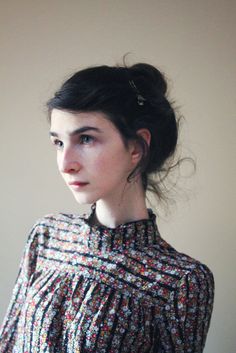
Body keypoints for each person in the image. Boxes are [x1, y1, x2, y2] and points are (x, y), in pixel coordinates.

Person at [0, 62, 214, 352]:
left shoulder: (180, 281)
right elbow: (8, 341)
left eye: (85, 139)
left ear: (137, 148)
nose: (66, 164)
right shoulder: (47, 236)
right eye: (58, 143)